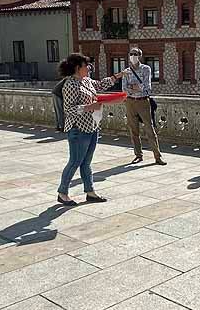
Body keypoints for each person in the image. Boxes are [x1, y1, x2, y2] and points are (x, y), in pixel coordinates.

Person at [58, 53, 118, 206]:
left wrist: (118, 76)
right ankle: (62, 192)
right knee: (75, 162)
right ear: (78, 68)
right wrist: (89, 107)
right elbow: (69, 110)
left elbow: (100, 85)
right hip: (78, 129)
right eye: (86, 65)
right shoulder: (70, 84)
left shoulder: (86, 81)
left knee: (86, 163)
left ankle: (90, 192)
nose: (89, 67)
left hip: (92, 126)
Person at [120, 46, 166, 165]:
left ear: (139, 56)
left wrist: (134, 87)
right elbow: (124, 89)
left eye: (135, 54)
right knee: (133, 130)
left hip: (143, 101)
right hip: (130, 102)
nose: (133, 56)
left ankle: (157, 156)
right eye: (131, 54)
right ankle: (138, 155)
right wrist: (135, 88)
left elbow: (147, 87)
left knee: (149, 129)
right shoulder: (126, 71)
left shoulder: (146, 69)